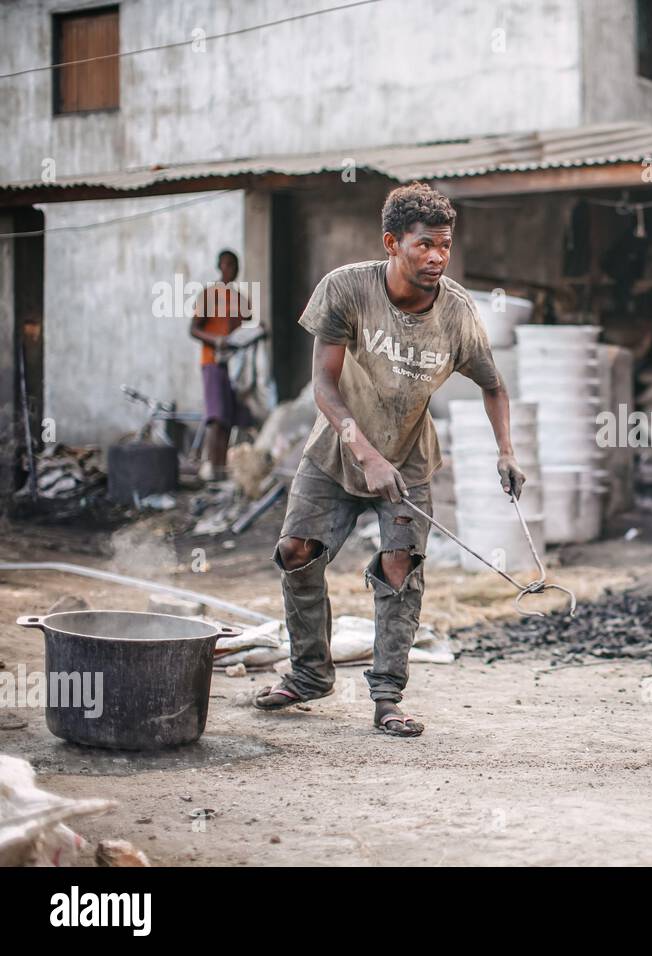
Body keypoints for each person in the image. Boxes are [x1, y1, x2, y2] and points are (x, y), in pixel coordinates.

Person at [254, 183, 525, 738]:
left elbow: (493, 386)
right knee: (296, 551)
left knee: (400, 570)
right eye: (424, 245)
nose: (436, 257)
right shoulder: (346, 291)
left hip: (410, 463)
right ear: (391, 243)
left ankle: (387, 697)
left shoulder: (457, 314)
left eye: (445, 246)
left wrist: (506, 452)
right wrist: (365, 454)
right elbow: (323, 386)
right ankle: (308, 675)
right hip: (335, 455)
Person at [190, 249, 254, 480]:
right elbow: (194, 329)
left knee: (227, 418)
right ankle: (212, 469)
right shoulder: (209, 295)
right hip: (213, 362)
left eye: (235, 265)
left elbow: (248, 321)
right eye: (228, 265)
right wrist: (217, 340)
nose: (232, 269)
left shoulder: (236, 297)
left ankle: (220, 471)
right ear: (220, 267)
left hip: (232, 365)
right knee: (216, 417)